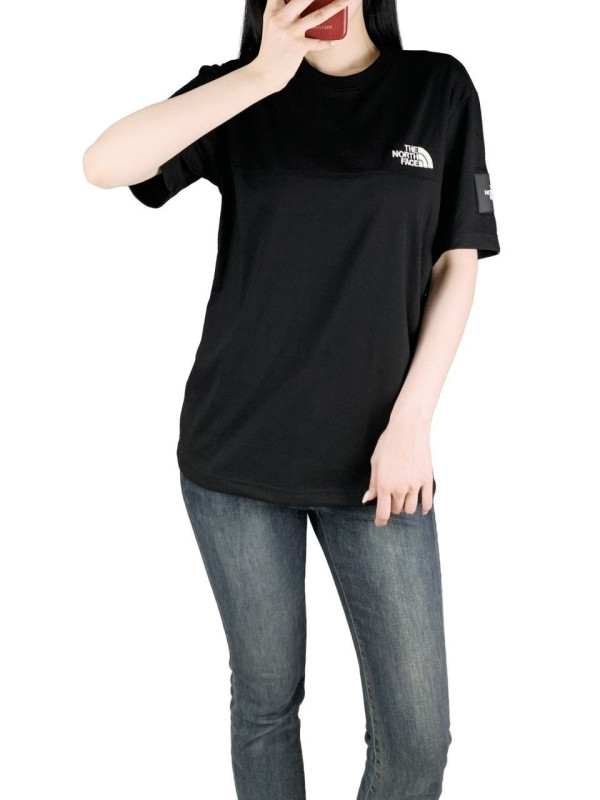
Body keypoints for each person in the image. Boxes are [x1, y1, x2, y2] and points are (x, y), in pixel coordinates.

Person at [83, 0, 500, 797]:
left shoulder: (437, 89)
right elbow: (103, 164)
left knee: (418, 741)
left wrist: (412, 421)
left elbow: (458, 263)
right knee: (266, 705)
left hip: (380, 469)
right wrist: (260, 76)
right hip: (236, 461)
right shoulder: (242, 92)